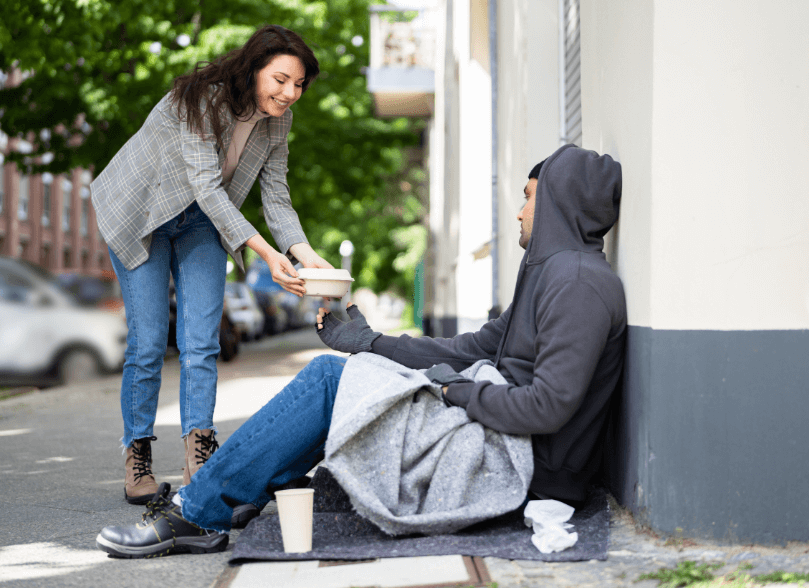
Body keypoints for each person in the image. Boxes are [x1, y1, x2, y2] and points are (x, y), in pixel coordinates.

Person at [95, 144, 627, 558]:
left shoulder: (578, 283)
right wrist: (371, 343)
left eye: (530, 196)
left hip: (519, 463)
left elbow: (548, 406)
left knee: (332, 381)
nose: (518, 212)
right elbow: (474, 346)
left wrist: (449, 389)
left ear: (559, 201)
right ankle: (230, 495)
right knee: (356, 370)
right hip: (494, 429)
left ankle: (199, 512)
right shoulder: (553, 274)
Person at [91, 25, 333, 506]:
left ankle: (198, 455)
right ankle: (137, 451)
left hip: (203, 220)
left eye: (299, 85)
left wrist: (307, 256)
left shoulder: (278, 122)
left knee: (202, 341)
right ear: (254, 69)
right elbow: (206, 184)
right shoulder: (201, 100)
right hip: (143, 212)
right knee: (148, 341)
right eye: (281, 79)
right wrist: (268, 253)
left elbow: (276, 196)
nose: (290, 94)